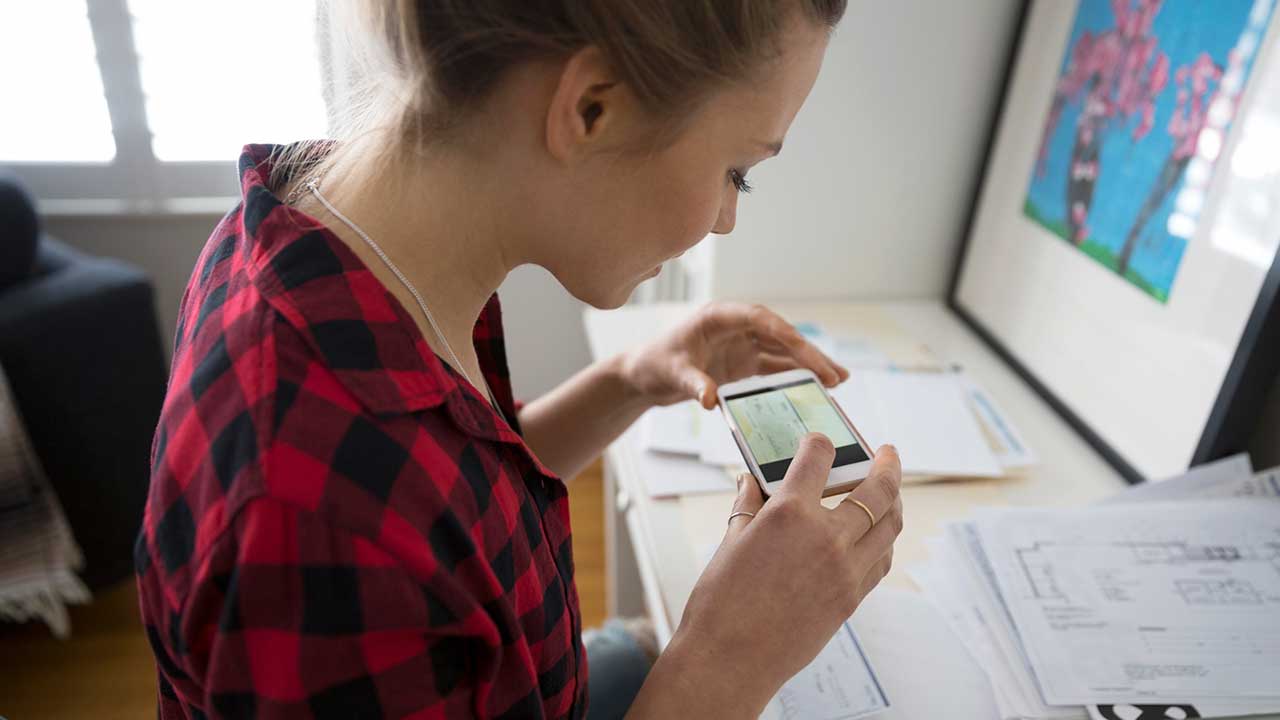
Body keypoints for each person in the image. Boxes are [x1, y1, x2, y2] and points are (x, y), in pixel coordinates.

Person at [134, 1, 904, 718]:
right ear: (591, 107)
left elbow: (454, 492)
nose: (727, 219)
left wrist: (627, 380)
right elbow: (393, 513)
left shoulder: (348, 247)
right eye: (737, 170)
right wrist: (727, 663)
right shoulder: (312, 516)